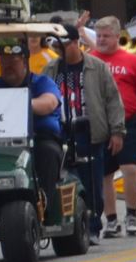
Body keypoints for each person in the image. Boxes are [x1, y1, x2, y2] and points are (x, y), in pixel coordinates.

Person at [50, 22, 127, 241]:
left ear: (76, 43)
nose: (60, 50)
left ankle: (92, 226)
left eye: (64, 45)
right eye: (56, 46)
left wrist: (117, 131)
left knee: (92, 183)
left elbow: (113, 100)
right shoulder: (51, 69)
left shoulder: (97, 67)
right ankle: (72, 226)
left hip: (89, 133)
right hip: (60, 134)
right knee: (65, 181)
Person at [92, 17, 136, 235]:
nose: (101, 40)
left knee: (130, 168)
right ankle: (111, 219)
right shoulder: (90, 60)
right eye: (98, 36)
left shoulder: (132, 60)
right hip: (101, 124)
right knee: (104, 174)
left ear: (116, 36)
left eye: (106, 36)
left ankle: (131, 214)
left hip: (128, 121)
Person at [0, 47, 69, 233]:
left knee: (48, 152)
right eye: (3, 62)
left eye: (12, 62)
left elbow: (49, 102)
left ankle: (46, 209)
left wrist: (19, 104)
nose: (7, 66)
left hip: (40, 139)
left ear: (24, 61)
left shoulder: (41, 82)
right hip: (2, 144)